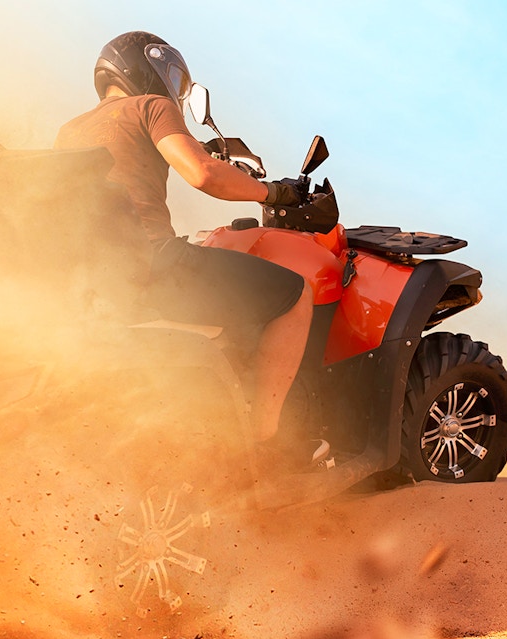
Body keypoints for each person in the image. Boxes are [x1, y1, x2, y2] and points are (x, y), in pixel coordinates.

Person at [54, 31, 322, 460]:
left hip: (93, 281)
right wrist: (273, 193)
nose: (174, 90)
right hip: (154, 267)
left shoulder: (70, 130)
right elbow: (203, 173)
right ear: (151, 67)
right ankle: (268, 442)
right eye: (173, 78)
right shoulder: (150, 106)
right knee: (295, 297)